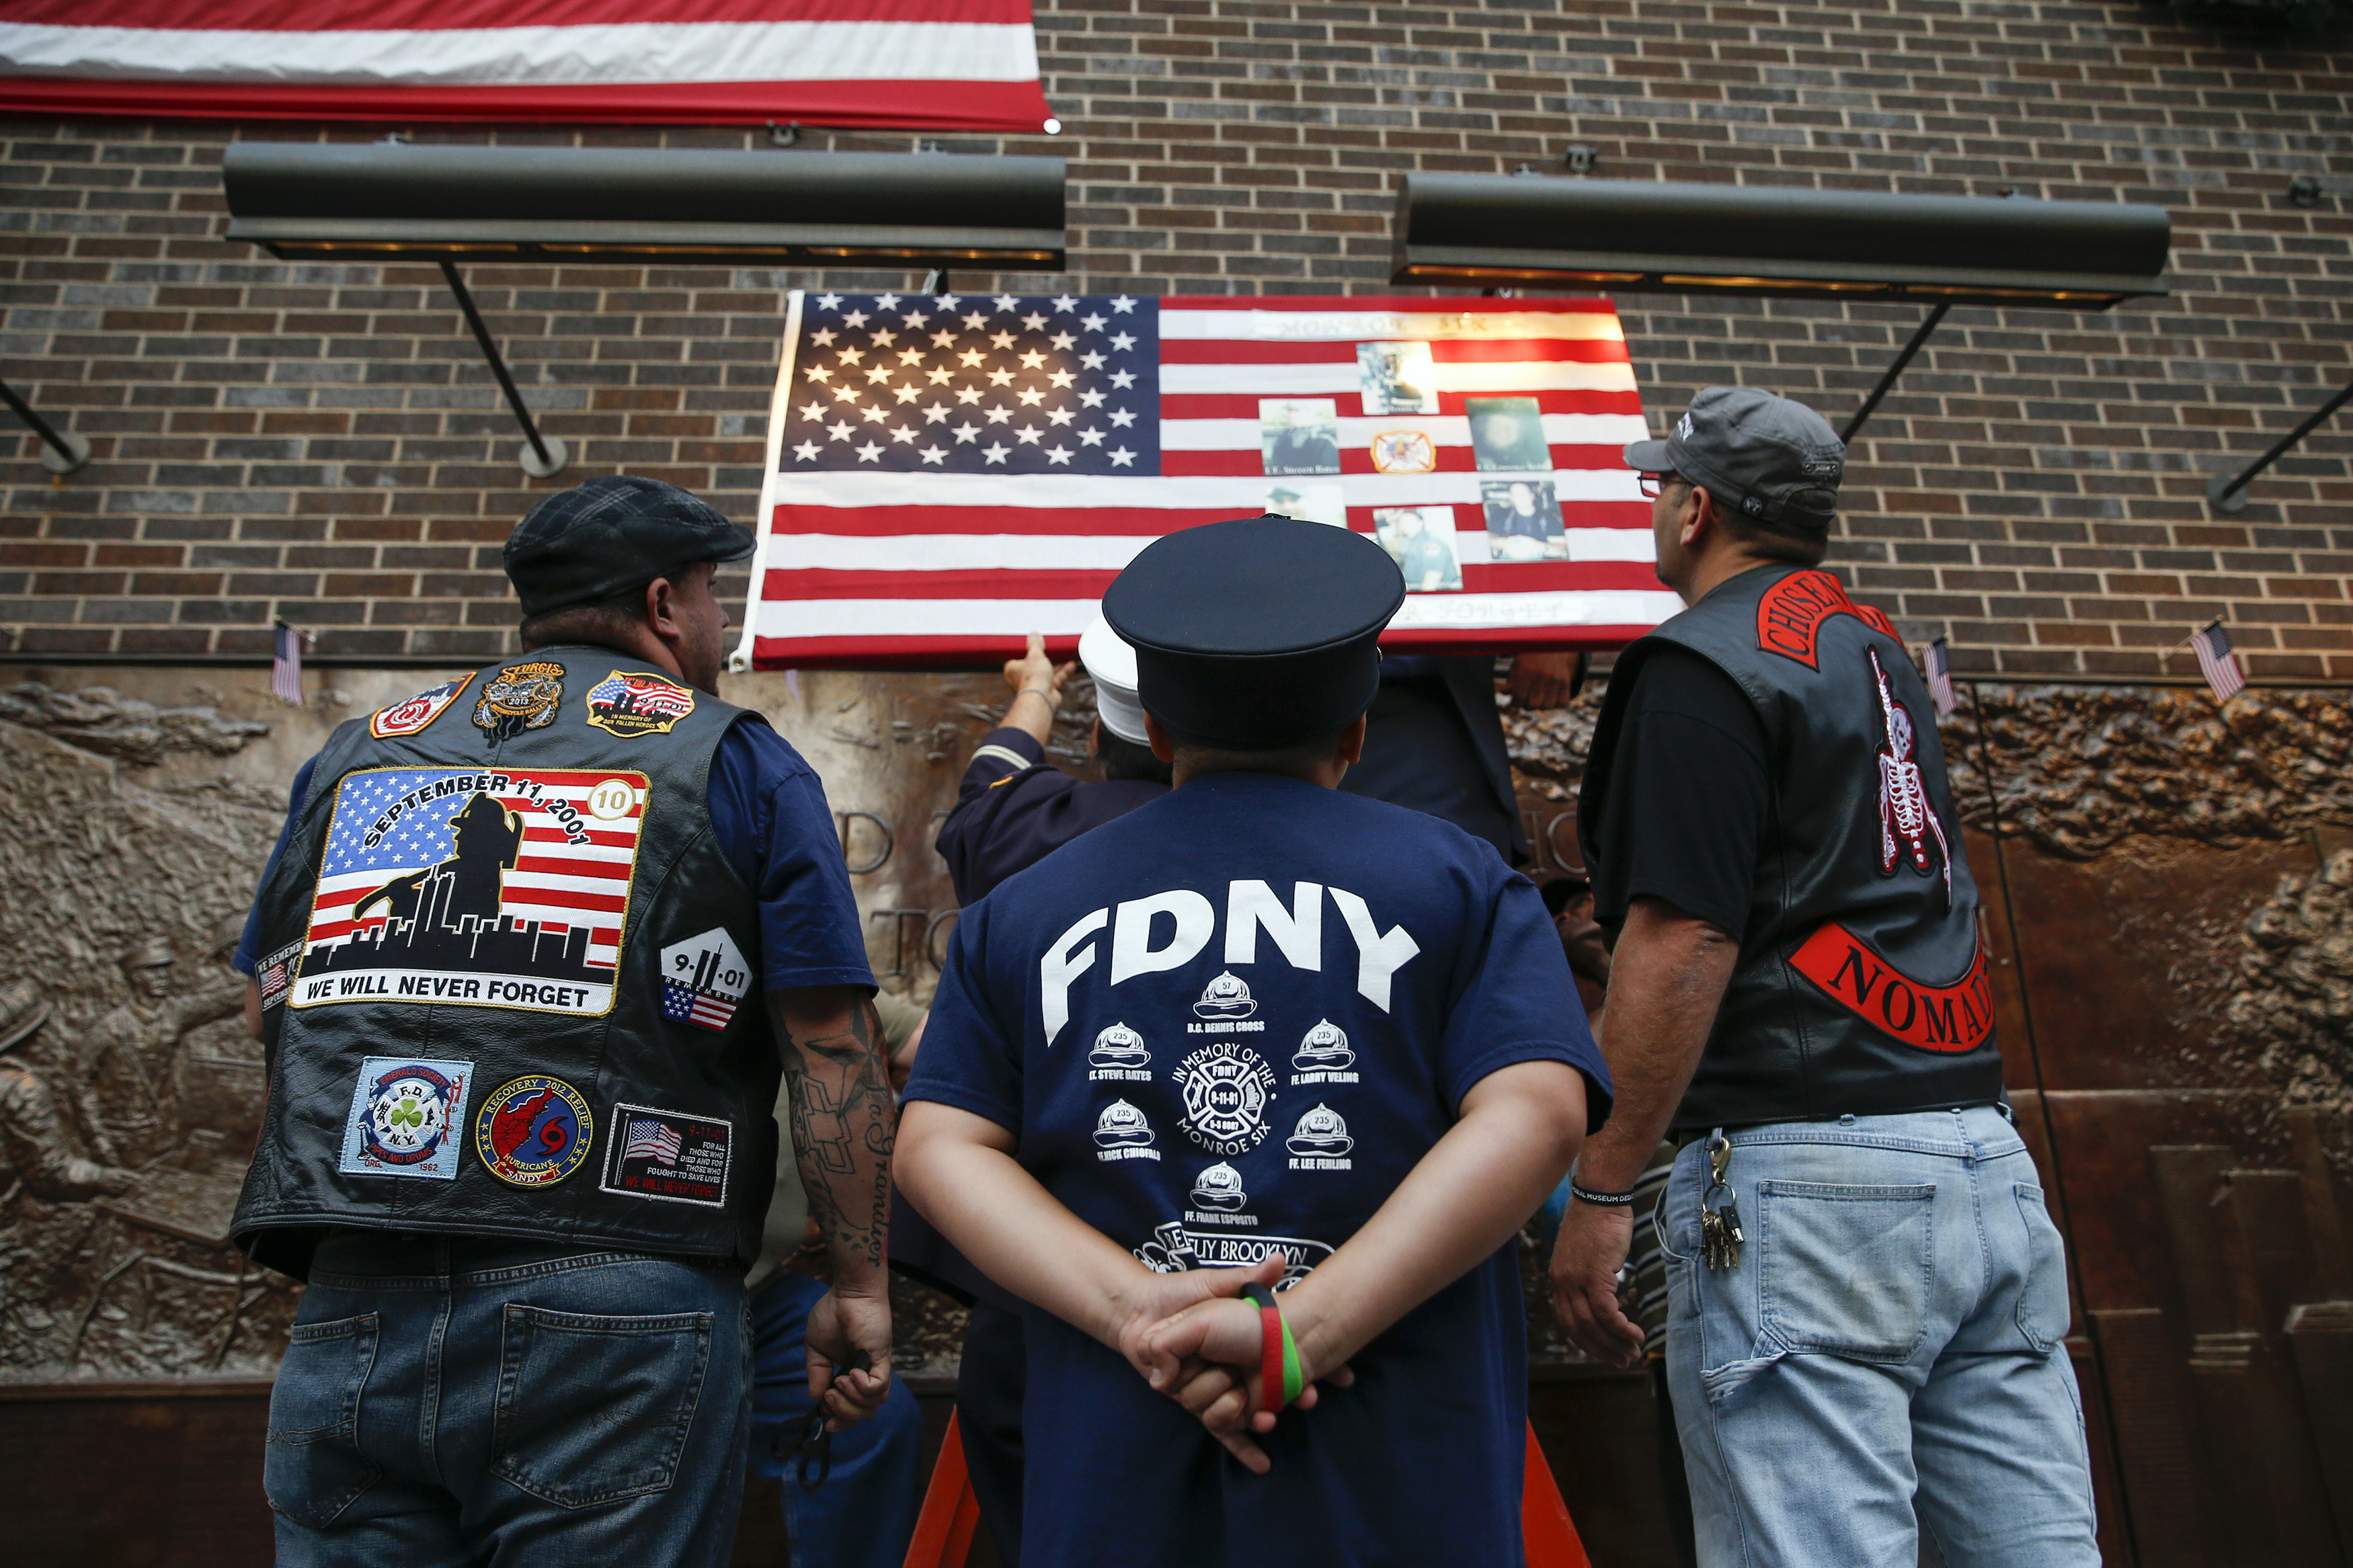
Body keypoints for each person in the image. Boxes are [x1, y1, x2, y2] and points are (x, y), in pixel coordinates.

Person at [896, 514, 1611, 1567]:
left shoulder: (1027, 910)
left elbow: (936, 1146)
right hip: (1397, 1473)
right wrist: (1299, 1335)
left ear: (1163, 732)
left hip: (1117, 1455)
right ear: (1357, 732)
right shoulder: (1459, 881)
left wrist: (1141, 1310)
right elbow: (1539, 1112)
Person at [229, 475, 895, 1567]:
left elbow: (272, 1002)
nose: (719, 622)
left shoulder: (356, 752)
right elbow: (829, 1047)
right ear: (665, 605)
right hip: (622, 1296)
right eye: (712, 593)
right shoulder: (733, 754)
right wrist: (861, 1285)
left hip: (353, 1288)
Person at [1548, 388, 2099, 1567]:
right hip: (1982, 1165)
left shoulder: (1700, 664)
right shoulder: (1878, 649)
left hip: (1809, 1188)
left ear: (1696, 510)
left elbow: (1682, 940)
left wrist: (1600, 1192)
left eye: (1661, 488)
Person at [744, 991, 929, 1568]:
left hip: (756, 1294)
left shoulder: (808, 973)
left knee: (871, 1417)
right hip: (645, 1282)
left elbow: (937, 1045)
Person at [938, 620, 1172, 907]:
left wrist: (1035, 691)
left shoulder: (1022, 832)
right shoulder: (1241, 833)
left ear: (1095, 738)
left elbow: (981, 806)